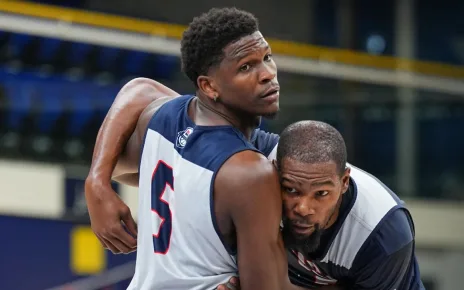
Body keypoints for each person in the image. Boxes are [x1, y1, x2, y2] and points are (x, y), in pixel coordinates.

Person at [86, 7, 302, 290]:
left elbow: (140, 89)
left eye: (267, 57)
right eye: (246, 67)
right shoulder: (249, 172)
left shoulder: (162, 120)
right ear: (209, 86)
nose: (267, 74)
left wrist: (96, 181)